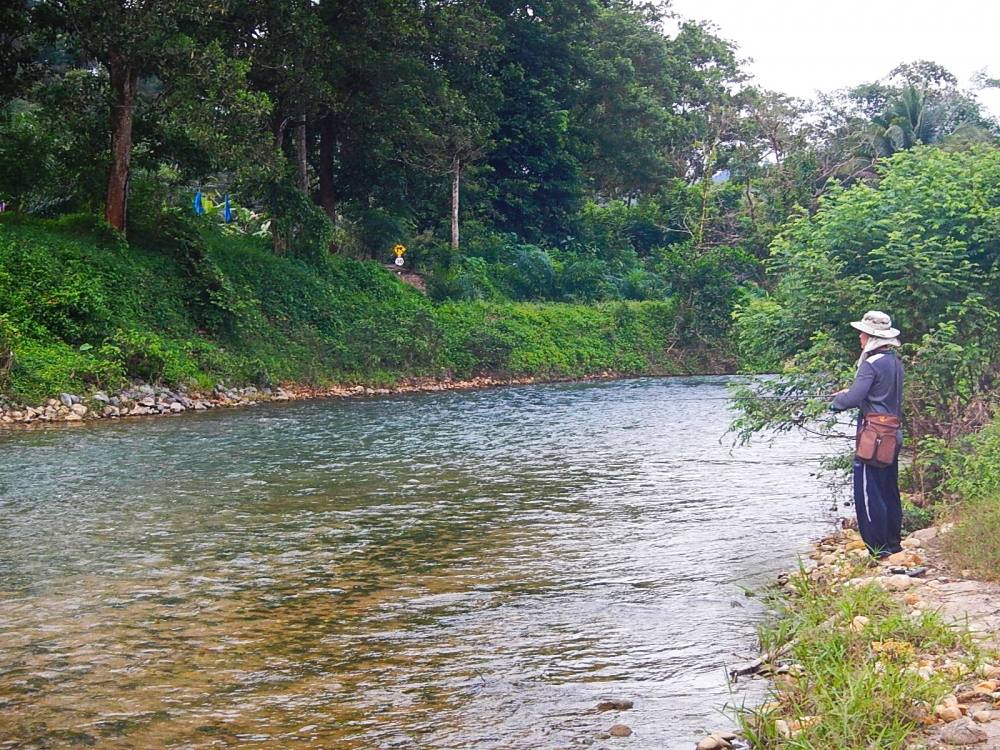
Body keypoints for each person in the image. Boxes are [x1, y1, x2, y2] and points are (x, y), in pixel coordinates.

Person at [830, 310, 904, 558]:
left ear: (872, 337)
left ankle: (878, 549)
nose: (860, 337)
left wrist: (838, 400)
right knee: (888, 490)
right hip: (893, 434)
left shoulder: (870, 364)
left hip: (873, 438)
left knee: (868, 492)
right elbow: (876, 394)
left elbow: (852, 399)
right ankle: (893, 545)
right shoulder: (894, 361)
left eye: (863, 333)